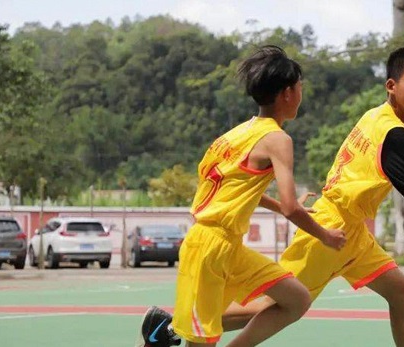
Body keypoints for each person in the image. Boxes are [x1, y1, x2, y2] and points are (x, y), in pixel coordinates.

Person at [221, 46, 404, 347]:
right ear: (391, 85)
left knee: (402, 292)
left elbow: (397, 155)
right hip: (330, 230)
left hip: (353, 232)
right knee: (272, 306)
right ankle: (181, 324)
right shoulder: (393, 132)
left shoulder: (376, 117)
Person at [135, 45, 346, 347]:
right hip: (209, 248)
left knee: (296, 299)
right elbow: (291, 208)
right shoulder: (277, 139)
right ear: (287, 92)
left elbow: (241, 191)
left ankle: (167, 329)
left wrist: (280, 206)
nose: (301, 94)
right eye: (300, 87)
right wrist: (325, 235)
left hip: (228, 248)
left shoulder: (234, 135)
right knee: (202, 339)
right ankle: (166, 332)